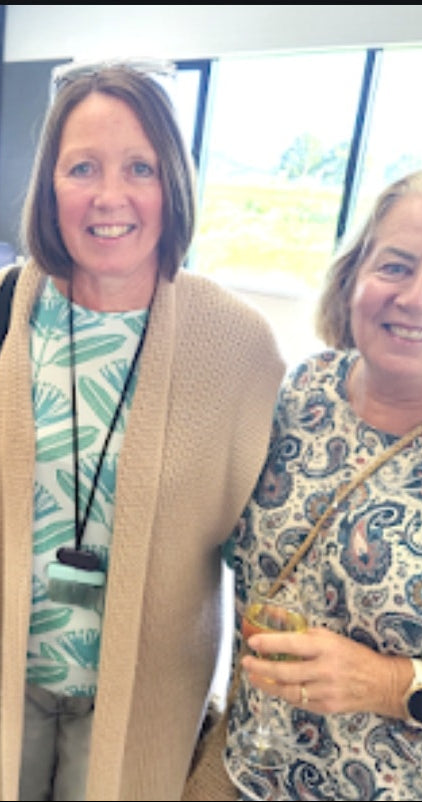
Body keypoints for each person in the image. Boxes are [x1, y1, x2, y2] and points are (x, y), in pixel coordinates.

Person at [0, 60, 285, 802]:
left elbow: (269, 557)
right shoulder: (7, 313)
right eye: (81, 167)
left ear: (176, 185)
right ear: (47, 186)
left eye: (140, 168)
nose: (109, 196)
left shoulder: (237, 346)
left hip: (141, 705)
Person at [223, 163, 422, 801]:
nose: (417, 298)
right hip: (248, 776)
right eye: (394, 265)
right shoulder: (306, 391)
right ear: (353, 277)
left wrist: (395, 684)